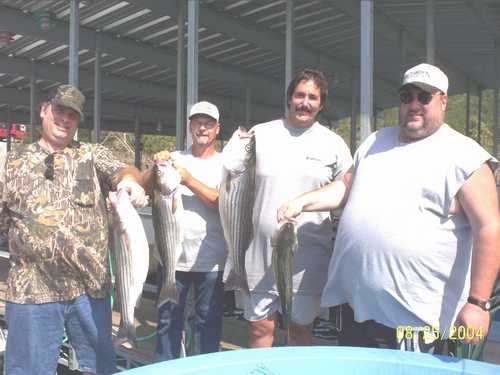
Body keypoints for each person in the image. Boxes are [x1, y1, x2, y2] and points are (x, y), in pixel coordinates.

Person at [278, 63, 500, 354]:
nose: (414, 104)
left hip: (418, 321)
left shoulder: (465, 155)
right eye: (407, 96)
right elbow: (345, 186)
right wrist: (302, 202)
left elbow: (490, 227)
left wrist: (478, 303)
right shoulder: (375, 141)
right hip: (356, 310)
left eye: (424, 97)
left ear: (443, 101)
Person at [0, 84, 146, 375]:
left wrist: (131, 182)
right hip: (31, 293)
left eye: (72, 115)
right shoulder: (11, 163)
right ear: (44, 110)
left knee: (100, 369)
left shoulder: (92, 155)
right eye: (59, 111)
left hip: (88, 292)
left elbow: (124, 171)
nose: (65, 119)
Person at [243, 69, 353, 347]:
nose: (305, 102)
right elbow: (234, 180)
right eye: (300, 95)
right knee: (259, 328)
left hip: (309, 257)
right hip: (259, 252)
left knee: (299, 329)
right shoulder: (260, 134)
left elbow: (348, 191)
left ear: (321, 103)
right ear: (289, 99)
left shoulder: (333, 143)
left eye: (313, 97)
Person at [142, 101, 226, 360]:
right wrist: (154, 167)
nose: (202, 127)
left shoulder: (225, 164)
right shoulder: (175, 159)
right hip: (172, 261)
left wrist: (188, 179)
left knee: (207, 326)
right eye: (197, 122)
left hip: (211, 262)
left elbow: (220, 203)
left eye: (208, 123)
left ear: (217, 129)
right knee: (167, 323)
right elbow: (144, 186)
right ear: (190, 126)